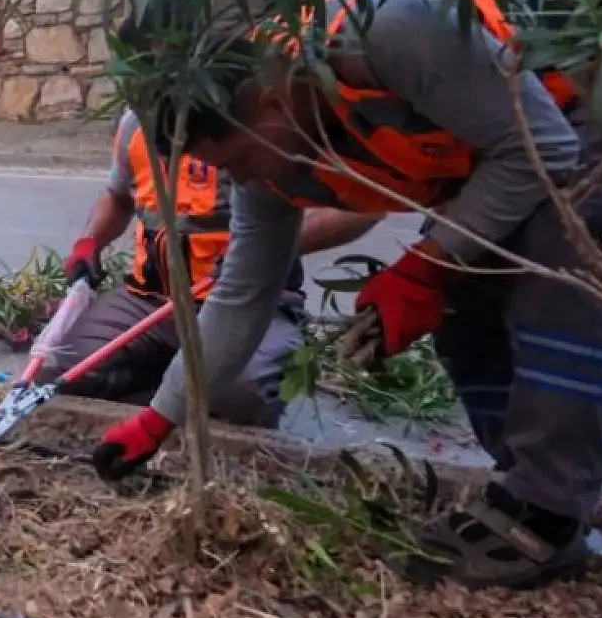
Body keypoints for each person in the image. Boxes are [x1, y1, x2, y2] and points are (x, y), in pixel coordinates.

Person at [90, 0, 602, 590]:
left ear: (271, 96)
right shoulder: (267, 149)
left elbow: (545, 149)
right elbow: (243, 294)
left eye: (242, 160)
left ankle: (546, 514)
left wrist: (423, 268)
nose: (241, 181)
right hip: (529, 104)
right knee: (466, 285)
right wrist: (159, 418)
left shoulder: (393, 33)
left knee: (565, 229)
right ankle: (525, 493)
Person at [54, 107, 382, 426]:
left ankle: (198, 382)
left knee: (242, 397)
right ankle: (182, 381)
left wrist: (260, 251)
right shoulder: (135, 123)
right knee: (62, 368)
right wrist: (89, 243)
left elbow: (364, 206)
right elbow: (118, 196)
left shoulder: (256, 119)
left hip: (249, 301)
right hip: (151, 299)